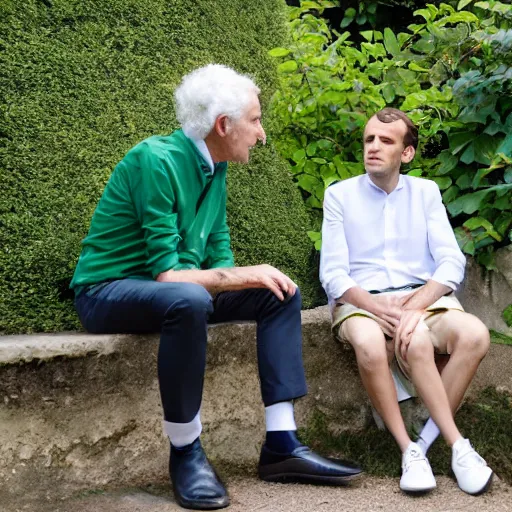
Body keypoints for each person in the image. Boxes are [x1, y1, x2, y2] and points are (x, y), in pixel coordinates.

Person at [71, 64, 362, 511]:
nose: (261, 134)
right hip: (107, 291)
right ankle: (186, 451)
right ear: (223, 125)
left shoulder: (214, 166)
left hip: (170, 293)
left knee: (278, 291)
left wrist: (240, 278)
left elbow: (218, 253)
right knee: (188, 298)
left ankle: (282, 444)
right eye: (256, 120)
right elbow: (167, 274)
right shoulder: (157, 160)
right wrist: (236, 276)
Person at [320, 108, 493, 495]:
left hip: (422, 297)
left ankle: (427, 442)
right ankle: (417, 449)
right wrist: (375, 307)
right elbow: (333, 273)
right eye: (368, 140)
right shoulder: (339, 195)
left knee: (477, 335)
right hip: (362, 300)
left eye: (386, 141)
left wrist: (415, 307)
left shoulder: (426, 192)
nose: (374, 147)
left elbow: (451, 260)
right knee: (373, 342)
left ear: (407, 153)